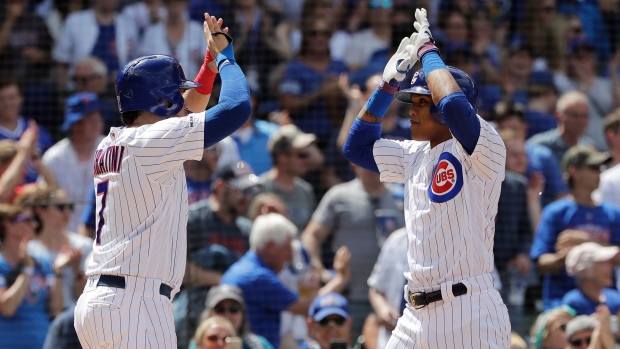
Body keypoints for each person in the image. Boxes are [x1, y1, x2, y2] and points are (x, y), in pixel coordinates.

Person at [73, 15, 252, 348]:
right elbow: (237, 107)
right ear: (162, 102)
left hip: (106, 302)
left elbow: (187, 111)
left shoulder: (116, 141)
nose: (182, 103)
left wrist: (209, 66)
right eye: (175, 96)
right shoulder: (152, 142)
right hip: (134, 302)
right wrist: (227, 58)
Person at [342, 8, 510, 347]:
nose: (412, 111)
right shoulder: (412, 154)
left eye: (422, 102)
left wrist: (428, 52)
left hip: (471, 311)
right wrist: (388, 85)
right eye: (411, 102)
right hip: (415, 315)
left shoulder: (484, 146)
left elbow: (454, 107)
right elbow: (356, 148)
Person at [221, 213, 350, 349]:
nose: (289, 256)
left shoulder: (248, 268)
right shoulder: (257, 277)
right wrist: (340, 279)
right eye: (287, 249)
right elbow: (309, 308)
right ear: (270, 246)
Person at [530, 145, 620, 310]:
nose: (599, 172)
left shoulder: (612, 213)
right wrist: (568, 256)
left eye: (601, 168)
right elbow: (542, 262)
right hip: (562, 306)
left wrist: (587, 243)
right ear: (574, 171)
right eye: (593, 167)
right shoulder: (555, 212)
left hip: (605, 305)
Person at [0, 203, 65, 349]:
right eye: (27, 220)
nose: (34, 225)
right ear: (8, 225)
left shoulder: (42, 263)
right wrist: (27, 270)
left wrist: (59, 271)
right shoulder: (2, 264)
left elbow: (56, 309)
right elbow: (8, 307)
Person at [41, 92, 105, 234]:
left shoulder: (113, 149)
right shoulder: (54, 158)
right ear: (75, 125)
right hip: (65, 239)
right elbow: (43, 204)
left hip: (107, 238)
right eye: (89, 118)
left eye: (97, 117)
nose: (97, 122)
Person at [190, 284, 273, 349]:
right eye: (220, 309)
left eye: (233, 309)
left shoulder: (259, 344)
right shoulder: (200, 344)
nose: (227, 315)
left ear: (242, 314)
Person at [562, 242, 620, 316]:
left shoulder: (615, 297)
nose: (610, 269)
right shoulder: (574, 303)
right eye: (602, 263)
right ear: (584, 271)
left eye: (609, 263)